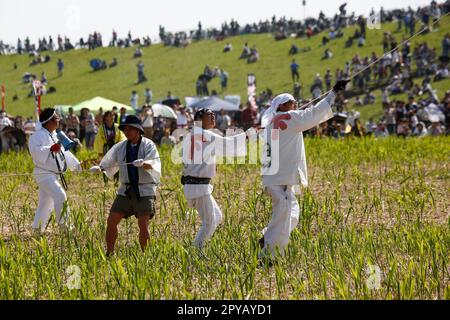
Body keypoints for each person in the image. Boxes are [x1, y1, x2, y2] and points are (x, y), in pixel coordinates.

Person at [259, 79, 350, 263]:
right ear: (282, 106)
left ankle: (266, 239)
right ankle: (269, 256)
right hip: (281, 179)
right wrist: (333, 93)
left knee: (292, 214)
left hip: (275, 178)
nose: (295, 104)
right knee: (285, 215)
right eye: (291, 102)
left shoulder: (270, 122)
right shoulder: (289, 117)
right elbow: (314, 114)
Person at [90, 115, 161, 256]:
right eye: (125, 129)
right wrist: (100, 168)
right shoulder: (120, 146)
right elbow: (109, 162)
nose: (127, 132)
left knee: (143, 224)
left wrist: (144, 164)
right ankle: (109, 253)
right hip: (125, 190)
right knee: (111, 221)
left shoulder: (148, 145)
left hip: (144, 189)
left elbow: (154, 164)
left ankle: (145, 255)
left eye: (130, 129)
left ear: (138, 130)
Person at [181, 108, 246, 249]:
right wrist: (246, 136)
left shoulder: (193, 134)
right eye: (209, 114)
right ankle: (195, 250)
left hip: (196, 185)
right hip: (197, 185)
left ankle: (198, 248)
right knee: (210, 221)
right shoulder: (203, 135)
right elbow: (227, 145)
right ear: (199, 119)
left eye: (213, 114)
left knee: (216, 216)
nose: (213, 116)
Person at [28, 108, 81, 235]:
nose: (59, 120)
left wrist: (77, 165)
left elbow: (65, 154)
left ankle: (37, 229)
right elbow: (35, 151)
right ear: (49, 121)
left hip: (53, 174)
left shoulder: (56, 135)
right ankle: (65, 227)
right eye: (57, 118)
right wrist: (49, 148)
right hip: (43, 173)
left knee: (45, 202)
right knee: (60, 195)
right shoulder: (37, 136)